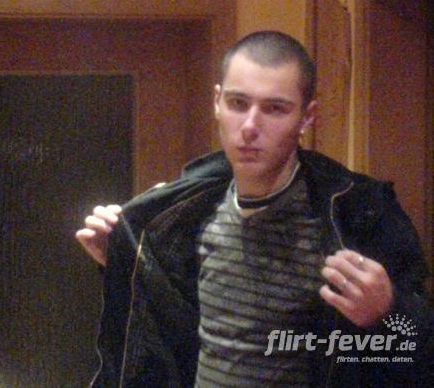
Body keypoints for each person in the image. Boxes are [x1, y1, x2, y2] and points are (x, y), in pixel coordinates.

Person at [76, 31, 432, 387]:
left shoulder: (358, 216)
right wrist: (124, 257)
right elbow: (156, 340)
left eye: (274, 109)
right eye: (238, 103)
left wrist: (388, 311)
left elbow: (417, 356)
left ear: (307, 116)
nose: (249, 127)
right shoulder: (180, 215)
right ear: (217, 102)